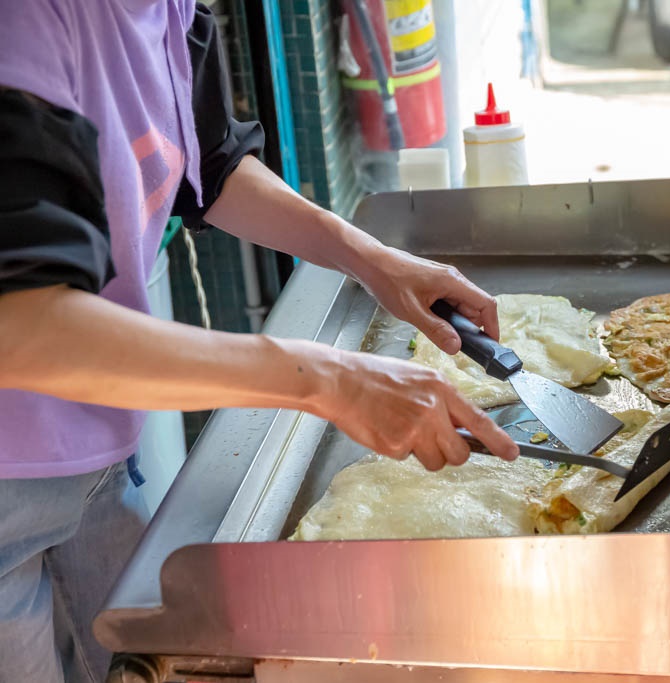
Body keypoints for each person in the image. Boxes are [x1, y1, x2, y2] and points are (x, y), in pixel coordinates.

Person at [0, 2, 519, 681]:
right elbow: (26, 328)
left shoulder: (168, 9)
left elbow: (210, 166)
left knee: (150, 658)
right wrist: (327, 379)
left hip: (93, 439)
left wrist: (370, 258)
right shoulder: (24, 26)